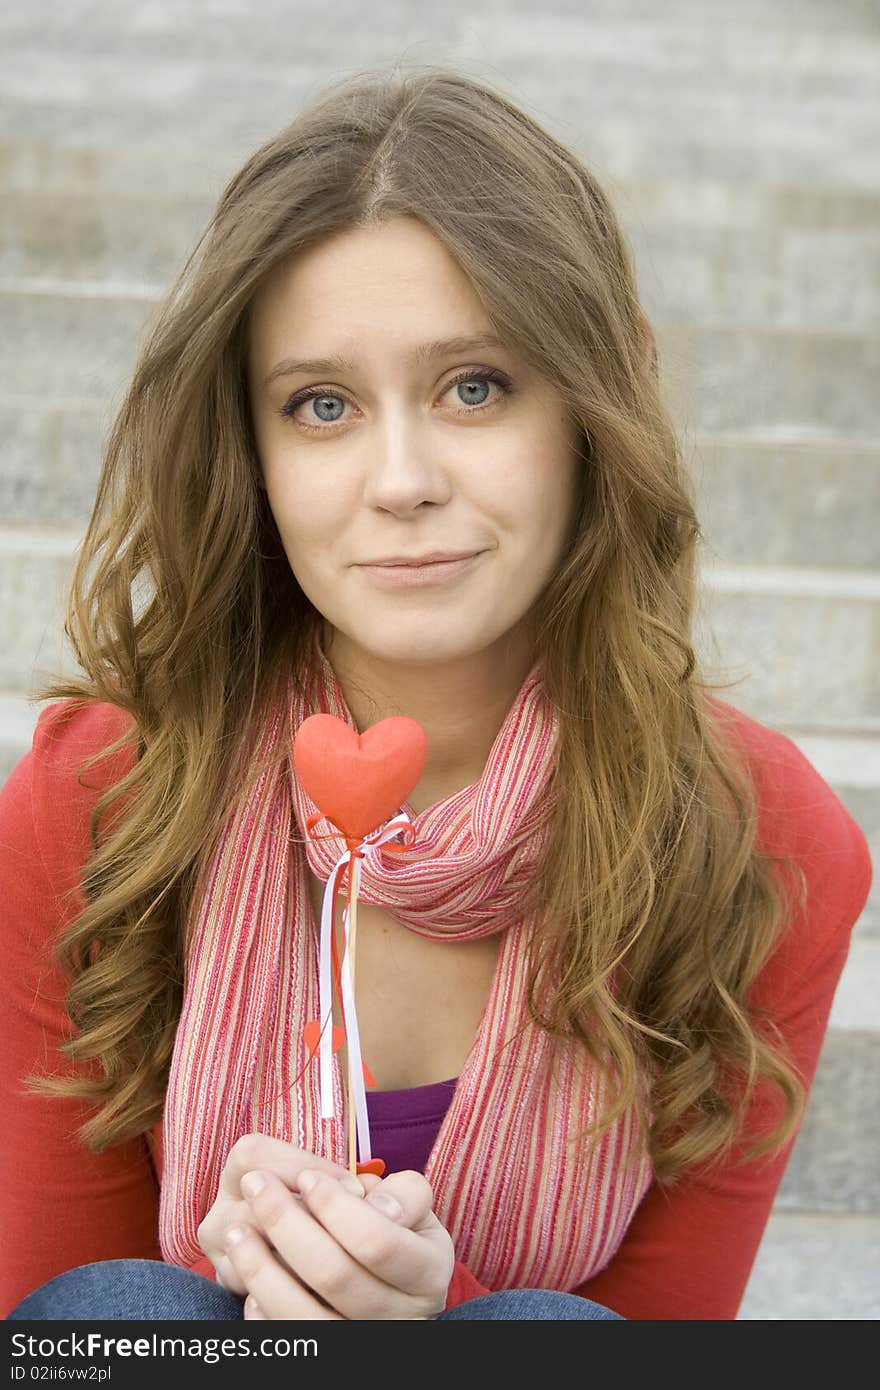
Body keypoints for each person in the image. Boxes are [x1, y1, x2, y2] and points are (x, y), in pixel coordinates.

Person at [1, 63, 873, 1324]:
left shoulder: (768, 840)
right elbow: (45, 1320)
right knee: (119, 1307)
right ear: (250, 451)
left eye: (476, 385)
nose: (400, 478)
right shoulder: (101, 793)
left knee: (545, 1331)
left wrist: (417, 1307)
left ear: (591, 404)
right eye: (322, 405)